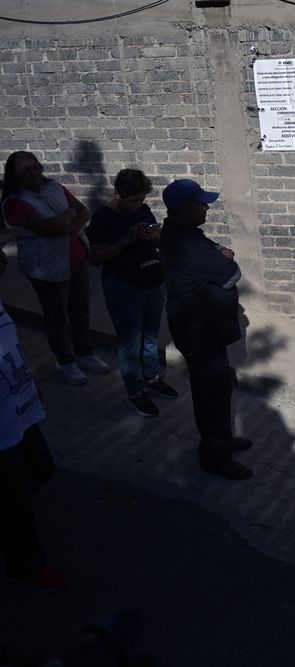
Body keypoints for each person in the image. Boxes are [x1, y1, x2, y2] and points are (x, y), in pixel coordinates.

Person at [158, 179, 252, 481]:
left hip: (206, 329)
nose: (207, 208)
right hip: (200, 332)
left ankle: (221, 439)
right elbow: (231, 273)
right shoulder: (185, 244)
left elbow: (223, 254)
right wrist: (223, 256)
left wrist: (222, 254)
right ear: (184, 209)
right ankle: (215, 455)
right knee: (211, 394)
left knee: (218, 388)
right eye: (201, 204)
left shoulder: (186, 234)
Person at [0, 151, 109, 384]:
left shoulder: (54, 188)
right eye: (25, 170)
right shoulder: (17, 202)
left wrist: (65, 223)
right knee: (56, 317)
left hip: (77, 260)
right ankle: (65, 361)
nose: (33, 173)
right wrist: (68, 215)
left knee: (80, 310)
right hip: (46, 268)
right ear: (15, 176)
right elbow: (51, 227)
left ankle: (85, 352)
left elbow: (83, 212)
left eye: (35, 167)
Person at [0, 247, 66, 592]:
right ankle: (26, 565)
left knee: (41, 466)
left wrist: (30, 381)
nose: (3, 260)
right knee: (15, 494)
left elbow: (8, 344)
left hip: (18, 406)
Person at [87, 169, 177, 417]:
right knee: (129, 341)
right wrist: (125, 241)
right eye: (133, 200)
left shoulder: (142, 210)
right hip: (123, 285)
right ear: (119, 194)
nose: (137, 205)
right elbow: (96, 257)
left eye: (141, 200)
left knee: (150, 335)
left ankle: (151, 377)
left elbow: (159, 240)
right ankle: (135, 391)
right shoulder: (103, 218)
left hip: (152, 280)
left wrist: (156, 236)